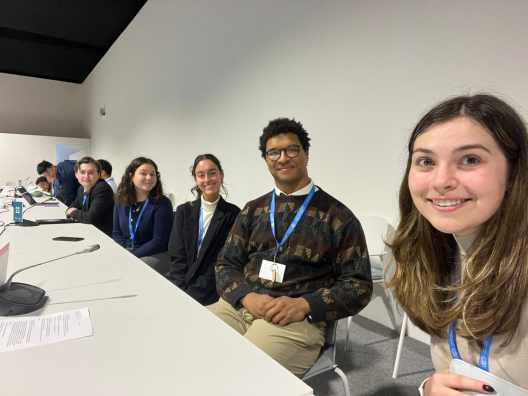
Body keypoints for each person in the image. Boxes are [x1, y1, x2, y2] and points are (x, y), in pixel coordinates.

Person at [207, 118, 372, 377]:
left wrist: (306, 305)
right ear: (266, 160)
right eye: (274, 152)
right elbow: (226, 263)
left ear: (306, 154)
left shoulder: (338, 216)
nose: (283, 158)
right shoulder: (253, 209)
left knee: (242, 373)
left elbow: (358, 285)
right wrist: (247, 296)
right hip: (241, 306)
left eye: (291, 149)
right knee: (192, 342)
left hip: (294, 319)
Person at [388, 94, 528, 395]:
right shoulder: (431, 254)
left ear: (513, 171)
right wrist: (429, 388)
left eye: (470, 159)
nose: (441, 181)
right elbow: (449, 371)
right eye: (426, 161)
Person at [168, 154, 240, 306]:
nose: (207, 179)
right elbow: (177, 257)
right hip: (180, 285)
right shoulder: (183, 211)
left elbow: (220, 262)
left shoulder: (232, 214)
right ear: (195, 179)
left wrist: (190, 297)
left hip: (210, 290)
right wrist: (177, 290)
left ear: (222, 174)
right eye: (201, 175)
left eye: (212, 173)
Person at [113, 157, 173, 274]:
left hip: (155, 254)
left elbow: (158, 242)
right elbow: (117, 233)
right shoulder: (120, 202)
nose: (149, 178)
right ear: (131, 176)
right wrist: (124, 253)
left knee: (130, 270)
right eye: (143, 173)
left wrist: (131, 256)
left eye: (153, 174)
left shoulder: (162, 203)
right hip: (127, 251)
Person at [66, 157, 115, 236]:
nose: (86, 176)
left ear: (99, 174)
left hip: (103, 236)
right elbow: (70, 208)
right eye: (82, 172)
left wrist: (73, 212)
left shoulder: (102, 188)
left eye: (91, 172)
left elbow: (90, 218)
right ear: (76, 174)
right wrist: (73, 212)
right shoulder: (81, 189)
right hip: (88, 231)